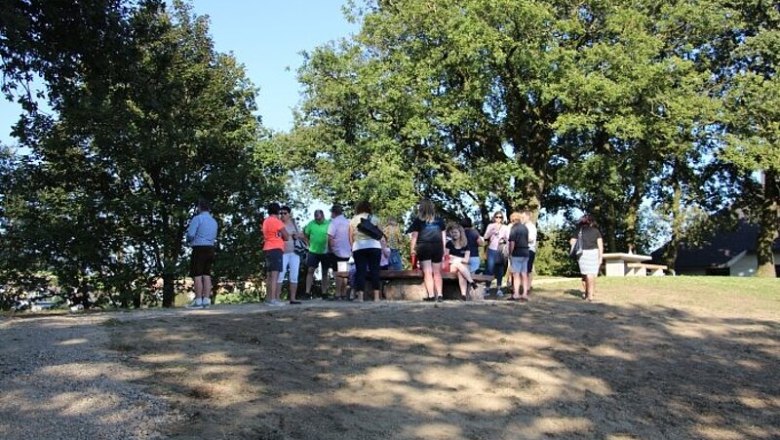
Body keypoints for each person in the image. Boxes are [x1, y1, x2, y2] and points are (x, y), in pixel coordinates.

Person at [408, 199, 446, 301]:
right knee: (437, 272)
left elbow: (414, 237)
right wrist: (444, 249)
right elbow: (443, 237)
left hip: (424, 246)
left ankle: (431, 295)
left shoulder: (418, 220)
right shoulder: (439, 220)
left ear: (421, 208)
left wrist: (412, 249)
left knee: (428, 272)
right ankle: (440, 294)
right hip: (437, 246)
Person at [186, 199, 218, 308]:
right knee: (207, 274)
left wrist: (189, 240)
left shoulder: (197, 219)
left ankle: (198, 300)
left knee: (197, 274)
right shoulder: (214, 221)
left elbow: (190, 234)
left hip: (199, 248)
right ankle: (206, 300)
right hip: (210, 248)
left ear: (199, 207)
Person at [349, 201, 382, 302]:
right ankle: (376, 297)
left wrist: (352, 247)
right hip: (374, 246)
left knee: (360, 271)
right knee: (375, 271)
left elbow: (350, 236)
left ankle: (360, 297)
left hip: (359, 247)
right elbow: (380, 234)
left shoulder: (353, 220)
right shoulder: (375, 219)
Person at [570, 214, 604, 302]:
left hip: (582, 254)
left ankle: (588, 294)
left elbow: (572, 242)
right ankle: (590, 294)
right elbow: (600, 245)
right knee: (591, 274)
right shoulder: (596, 231)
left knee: (585, 275)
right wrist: (600, 257)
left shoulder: (578, 231)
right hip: (594, 253)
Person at [263, 202, 289, 306]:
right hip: (276, 248)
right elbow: (286, 236)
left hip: (267, 247)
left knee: (269, 275)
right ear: (277, 211)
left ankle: (269, 298)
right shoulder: (277, 222)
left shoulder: (266, 221)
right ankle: (273, 299)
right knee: (275, 275)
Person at [278, 206, 305, 305]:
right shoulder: (278, 223)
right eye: (281, 213)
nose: (282, 215)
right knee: (280, 275)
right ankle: (277, 298)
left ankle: (293, 298)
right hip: (282, 252)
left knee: (294, 276)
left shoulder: (294, 223)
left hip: (294, 252)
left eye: (285, 213)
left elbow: (302, 235)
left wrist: (297, 235)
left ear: (289, 214)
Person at [446, 222, 479, 300]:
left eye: (456, 232)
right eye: (453, 232)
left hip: (462, 268)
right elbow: (447, 257)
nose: (454, 234)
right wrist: (459, 259)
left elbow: (467, 260)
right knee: (458, 263)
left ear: (460, 233)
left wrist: (454, 257)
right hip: (451, 267)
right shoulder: (449, 244)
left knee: (460, 272)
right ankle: (471, 281)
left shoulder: (465, 245)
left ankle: (463, 295)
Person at [303, 209, 331, 298]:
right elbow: (305, 235)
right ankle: (307, 293)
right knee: (310, 270)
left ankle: (324, 293)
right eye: (316, 218)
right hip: (313, 251)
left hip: (325, 252)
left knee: (325, 272)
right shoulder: (311, 223)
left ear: (323, 216)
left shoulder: (328, 224)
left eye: (319, 218)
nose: (317, 220)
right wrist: (308, 245)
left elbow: (331, 236)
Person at [327, 203, 351, 300]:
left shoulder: (334, 222)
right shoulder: (348, 222)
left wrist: (330, 249)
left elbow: (330, 237)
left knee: (338, 273)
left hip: (337, 251)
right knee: (344, 272)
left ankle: (337, 294)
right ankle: (344, 293)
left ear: (334, 213)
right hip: (347, 250)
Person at [483, 210, 510, 296]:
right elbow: (485, 236)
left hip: (500, 249)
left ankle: (499, 289)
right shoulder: (490, 226)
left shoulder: (505, 227)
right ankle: (487, 288)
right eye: (497, 217)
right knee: (489, 269)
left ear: (502, 218)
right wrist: (492, 231)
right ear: (494, 218)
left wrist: (504, 240)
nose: (498, 219)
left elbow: (508, 238)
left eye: (500, 217)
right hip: (491, 249)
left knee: (500, 269)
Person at [507, 211, 530, 301]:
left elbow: (512, 242)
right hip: (526, 252)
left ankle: (516, 294)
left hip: (517, 252)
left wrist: (510, 253)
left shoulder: (514, 228)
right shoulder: (525, 228)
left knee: (516, 274)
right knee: (524, 274)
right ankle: (524, 294)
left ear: (512, 219)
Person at [523, 209, 538, 293]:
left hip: (529, 249)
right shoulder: (523, 226)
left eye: (523, 217)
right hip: (522, 249)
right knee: (523, 269)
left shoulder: (531, 227)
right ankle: (523, 286)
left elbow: (531, 239)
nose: (522, 218)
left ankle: (528, 287)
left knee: (528, 269)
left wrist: (520, 239)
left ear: (528, 216)